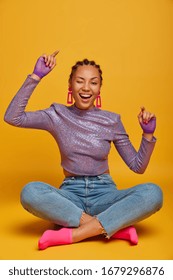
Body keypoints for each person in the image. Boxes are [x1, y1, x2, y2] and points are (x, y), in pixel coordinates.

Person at [4, 51, 163, 250]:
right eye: (80, 81)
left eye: (93, 82)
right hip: (70, 196)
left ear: (99, 89)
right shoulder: (56, 115)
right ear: (70, 85)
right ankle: (113, 228)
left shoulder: (111, 120)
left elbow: (137, 166)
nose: (86, 87)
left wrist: (147, 135)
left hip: (105, 195)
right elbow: (13, 117)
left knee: (153, 193)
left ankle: (75, 234)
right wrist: (36, 76)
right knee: (30, 192)